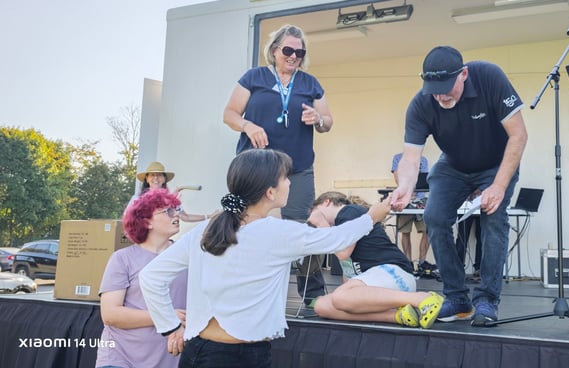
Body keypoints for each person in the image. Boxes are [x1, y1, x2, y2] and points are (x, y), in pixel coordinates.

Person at [140, 149, 390, 368]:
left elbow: (151, 277)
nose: (289, 182)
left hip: (199, 351)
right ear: (270, 192)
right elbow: (337, 238)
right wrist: (374, 215)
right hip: (242, 356)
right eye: (285, 177)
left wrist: (171, 327)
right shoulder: (275, 233)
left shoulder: (207, 229)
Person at [390, 46, 528, 326]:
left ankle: (487, 299)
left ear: (463, 74)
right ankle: (457, 298)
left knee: (494, 218)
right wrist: (404, 186)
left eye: (446, 88)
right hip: (452, 164)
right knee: (434, 217)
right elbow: (411, 157)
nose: (441, 96)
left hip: (496, 163)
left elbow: (518, 135)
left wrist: (498, 186)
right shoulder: (421, 104)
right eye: (434, 90)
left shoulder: (489, 77)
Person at [223, 23, 332, 306]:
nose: (293, 56)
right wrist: (247, 125)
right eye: (287, 50)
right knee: (239, 219)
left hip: (298, 168)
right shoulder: (254, 77)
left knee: (304, 227)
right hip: (255, 165)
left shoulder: (310, 83)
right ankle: (233, 282)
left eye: (299, 52)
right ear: (274, 51)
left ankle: (312, 295)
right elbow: (229, 114)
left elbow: (328, 122)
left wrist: (318, 120)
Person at [309, 192, 443, 329]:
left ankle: (421, 298)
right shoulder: (340, 228)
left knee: (340, 297)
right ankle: (398, 316)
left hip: (394, 273)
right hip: (382, 285)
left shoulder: (347, 212)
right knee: (322, 305)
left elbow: (343, 253)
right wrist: (351, 299)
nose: (313, 226)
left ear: (326, 202)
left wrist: (322, 227)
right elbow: (348, 272)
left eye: (313, 216)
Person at [96, 189, 188, 368]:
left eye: (176, 209)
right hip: (119, 359)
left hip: (169, 360)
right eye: (168, 211)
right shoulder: (122, 258)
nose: (176, 214)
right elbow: (110, 314)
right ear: (147, 221)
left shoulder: (188, 257)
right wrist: (166, 316)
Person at [390, 153, 435, 275]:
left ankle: (422, 262)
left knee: (427, 231)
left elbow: (424, 179)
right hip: (404, 199)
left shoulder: (423, 160)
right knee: (405, 231)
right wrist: (408, 191)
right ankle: (408, 262)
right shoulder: (397, 158)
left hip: (420, 199)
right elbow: (397, 178)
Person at [133, 161, 214, 223]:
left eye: (159, 175)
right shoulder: (137, 199)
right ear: (147, 179)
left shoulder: (171, 199)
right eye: (152, 175)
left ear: (164, 179)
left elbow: (185, 217)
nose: (156, 178)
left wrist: (208, 216)